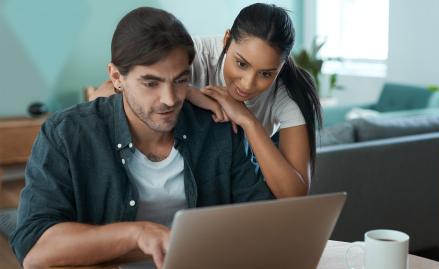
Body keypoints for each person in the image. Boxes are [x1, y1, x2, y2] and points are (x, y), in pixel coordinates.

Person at [10, 7, 273, 269]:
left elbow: (262, 224)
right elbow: (34, 250)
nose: (170, 99)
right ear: (116, 77)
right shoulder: (66, 134)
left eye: (180, 80)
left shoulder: (219, 128)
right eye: (151, 83)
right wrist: (138, 234)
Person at [91, 3, 322, 199]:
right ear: (226, 39)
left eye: (266, 74)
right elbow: (101, 96)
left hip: (241, 186)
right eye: (241, 64)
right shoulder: (195, 54)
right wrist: (188, 91)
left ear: (281, 66)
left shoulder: (288, 93)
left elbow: (295, 193)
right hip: (188, 176)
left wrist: (247, 120)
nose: (247, 84)